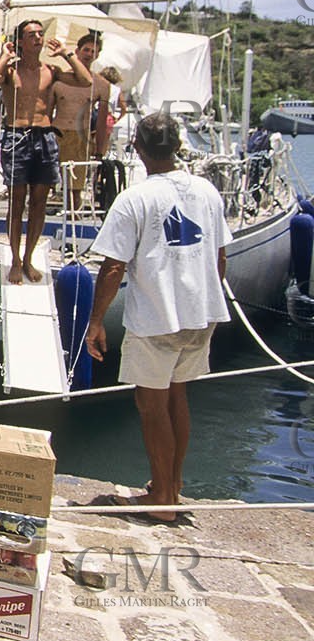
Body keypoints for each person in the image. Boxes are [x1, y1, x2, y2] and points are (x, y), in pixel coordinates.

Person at [85, 112, 231, 523]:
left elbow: (113, 268)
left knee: (150, 404)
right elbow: (219, 257)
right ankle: (172, 485)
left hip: (157, 316)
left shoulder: (135, 198)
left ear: (137, 149)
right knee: (177, 397)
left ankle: (163, 497)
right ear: (179, 144)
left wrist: (96, 323)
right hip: (201, 314)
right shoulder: (207, 190)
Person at [0, 19, 95, 284]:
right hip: (16, 135)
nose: (38, 38)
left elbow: (86, 80)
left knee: (40, 202)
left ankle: (29, 258)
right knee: (16, 201)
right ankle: (15, 260)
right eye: (32, 35)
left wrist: (67, 53)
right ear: (20, 40)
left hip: (44, 136)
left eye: (41, 34)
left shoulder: (50, 70)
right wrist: (5, 57)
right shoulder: (10, 71)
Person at [49, 33, 109, 212]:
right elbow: (46, 111)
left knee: (74, 188)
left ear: (97, 55)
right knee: (43, 183)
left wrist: (99, 151)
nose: (89, 54)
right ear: (77, 51)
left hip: (80, 137)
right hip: (56, 133)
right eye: (86, 50)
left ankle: (72, 222)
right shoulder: (59, 78)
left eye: (93, 51)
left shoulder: (102, 85)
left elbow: (102, 122)